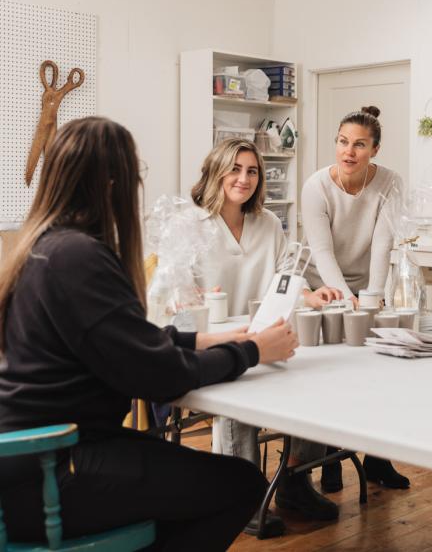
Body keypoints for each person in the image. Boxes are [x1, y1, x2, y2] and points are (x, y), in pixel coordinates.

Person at [0, 117, 298, 552]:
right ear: (111, 181)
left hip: (29, 456)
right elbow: (161, 377)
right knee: (240, 484)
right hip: (52, 465)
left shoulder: (46, 246)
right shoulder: (81, 258)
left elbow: (123, 338)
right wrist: (251, 350)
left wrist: (206, 340)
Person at [191, 138, 342, 535]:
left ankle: (294, 480)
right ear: (216, 171)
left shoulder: (269, 223)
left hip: (265, 336)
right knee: (238, 393)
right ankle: (243, 495)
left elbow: (286, 276)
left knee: (313, 376)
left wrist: (312, 294)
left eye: (252, 171)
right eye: (235, 169)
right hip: (215, 341)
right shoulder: (192, 225)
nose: (244, 178)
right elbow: (176, 295)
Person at [302, 106, 410, 492]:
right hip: (323, 287)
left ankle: (378, 460)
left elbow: (383, 244)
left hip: (369, 288)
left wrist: (371, 299)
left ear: (375, 150)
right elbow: (322, 251)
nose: (348, 152)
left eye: (359, 145)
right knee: (333, 373)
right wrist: (344, 300)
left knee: (383, 371)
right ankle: (329, 462)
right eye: (343, 142)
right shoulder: (316, 186)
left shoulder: (391, 184)